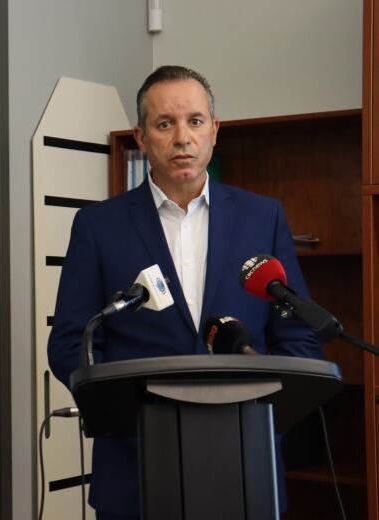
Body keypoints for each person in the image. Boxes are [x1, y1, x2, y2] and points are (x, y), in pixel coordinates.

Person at [47, 65, 322, 519]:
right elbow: (73, 344)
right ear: (140, 137)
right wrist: (135, 418)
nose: (182, 138)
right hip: (136, 467)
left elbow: (296, 337)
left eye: (195, 121)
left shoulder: (263, 218)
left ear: (214, 131)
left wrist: (268, 419)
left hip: (245, 459)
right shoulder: (99, 226)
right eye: (164, 124)